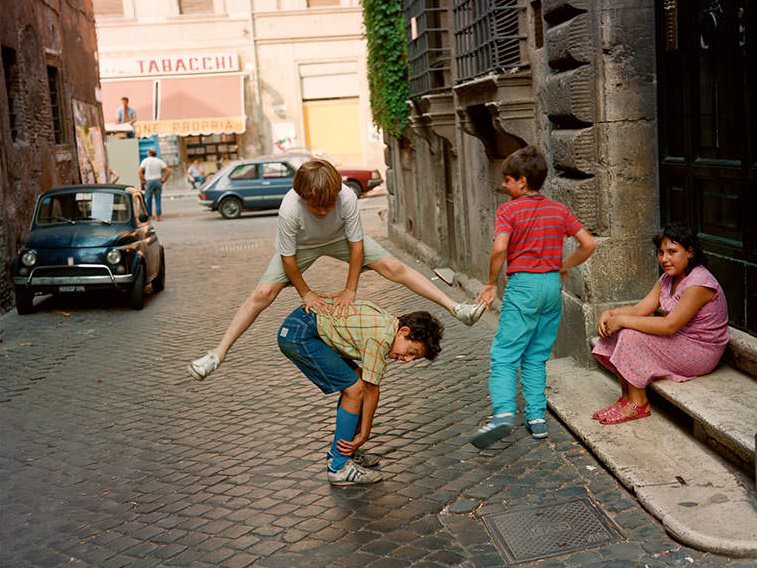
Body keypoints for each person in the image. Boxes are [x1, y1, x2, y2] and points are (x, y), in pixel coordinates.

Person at [188, 158, 485, 380]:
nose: (322, 211)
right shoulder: (290, 208)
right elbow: (288, 258)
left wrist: (349, 289)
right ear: (303, 197)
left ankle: (456, 307)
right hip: (301, 247)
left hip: (341, 240)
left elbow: (356, 246)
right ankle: (218, 353)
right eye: (316, 207)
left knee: (393, 266)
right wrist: (306, 294)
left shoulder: (346, 197)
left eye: (327, 205)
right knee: (263, 293)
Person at [470, 146, 596, 449]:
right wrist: (564, 266)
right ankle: (537, 418)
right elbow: (588, 244)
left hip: (523, 286)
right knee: (537, 356)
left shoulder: (509, 211)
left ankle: (502, 413)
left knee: (504, 354)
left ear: (522, 181)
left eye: (508, 180)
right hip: (552, 287)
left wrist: (490, 283)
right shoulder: (559, 210)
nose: (504, 185)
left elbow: (500, 249)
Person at [277, 299, 444, 485]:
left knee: (356, 380)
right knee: (355, 390)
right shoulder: (381, 339)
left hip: (304, 325)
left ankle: (348, 451)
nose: (407, 360)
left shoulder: (388, 323)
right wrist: (364, 433)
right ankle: (338, 466)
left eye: (414, 358)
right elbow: (372, 389)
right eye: (411, 352)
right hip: (300, 334)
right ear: (404, 332)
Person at [591, 223, 729, 425]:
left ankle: (638, 404)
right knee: (617, 329)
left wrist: (621, 321)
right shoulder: (667, 278)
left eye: (672, 252)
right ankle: (627, 398)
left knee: (630, 334)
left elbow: (669, 325)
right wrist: (611, 313)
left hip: (700, 351)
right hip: (679, 341)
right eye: (661, 252)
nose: (664, 259)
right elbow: (640, 309)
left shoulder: (699, 283)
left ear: (690, 252)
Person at [139, 149, 169, 221]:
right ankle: (158, 216)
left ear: (149, 154)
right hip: (158, 181)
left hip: (149, 181)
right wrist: (164, 179)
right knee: (158, 199)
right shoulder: (159, 161)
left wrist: (142, 180)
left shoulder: (145, 161)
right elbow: (168, 170)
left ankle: (149, 215)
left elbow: (140, 171)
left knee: (148, 199)